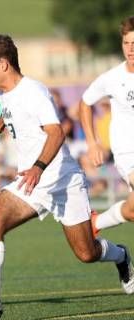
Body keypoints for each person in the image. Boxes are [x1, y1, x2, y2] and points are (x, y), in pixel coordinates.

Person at [0, 35, 134, 320]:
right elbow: (9, 109)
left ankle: (121, 255)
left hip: (60, 179)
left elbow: (56, 131)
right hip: (31, 181)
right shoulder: (5, 91)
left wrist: (38, 166)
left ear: (3, 64)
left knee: (86, 253)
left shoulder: (33, 91)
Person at [80, 16, 134, 237]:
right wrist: (92, 143)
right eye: (126, 43)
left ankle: (98, 221)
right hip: (128, 152)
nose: (130, 49)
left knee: (132, 210)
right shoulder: (112, 78)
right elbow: (85, 103)